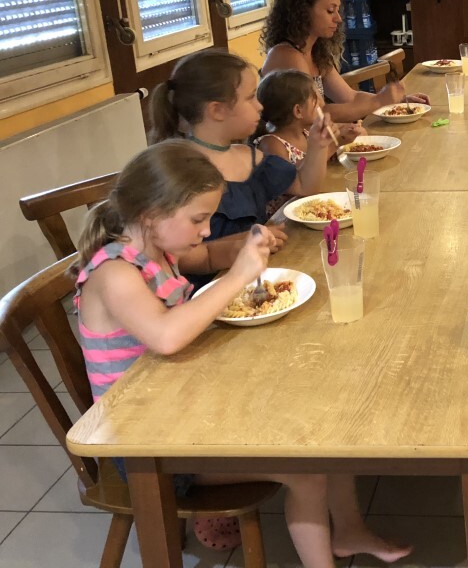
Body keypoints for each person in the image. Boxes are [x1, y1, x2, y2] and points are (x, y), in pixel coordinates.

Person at [74, 141, 413, 565]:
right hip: (145, 447)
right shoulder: (116, 274)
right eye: (198, 219)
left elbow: (206, 254)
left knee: (322, 425)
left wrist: (247, 241)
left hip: (180, 407)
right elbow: (165, 336)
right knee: (308, 471)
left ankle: (348, 531)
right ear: (150, 214)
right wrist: (237, 276)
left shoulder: (157, 248)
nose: (205, 230)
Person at [148, 50, 333, 285]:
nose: (260, 106)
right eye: (250, 98)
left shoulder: (250, 157)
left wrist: (317, 145)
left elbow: (305, 186)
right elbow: (175, 258)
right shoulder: (176, 170)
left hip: (258, 278)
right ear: (217, 110)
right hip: (208, 292)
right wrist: (238, 245)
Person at [261, 0, 428, 122]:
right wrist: (379, 101)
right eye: (330, 11)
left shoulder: (315, 51)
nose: (338, 18)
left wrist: (395, 101)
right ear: (302, 11)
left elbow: (350, 97)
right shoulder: (287, 55)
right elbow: (317, 114)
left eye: (337, 10)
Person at [252, 69, 362, 217]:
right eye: (315, 100)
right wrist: (328, 146)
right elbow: (298, 177)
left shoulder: (306, 133)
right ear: (298, 111)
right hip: (284, 219)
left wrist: (341, 139)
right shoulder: (271, 144)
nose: (321, 104)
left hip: (313, 208)